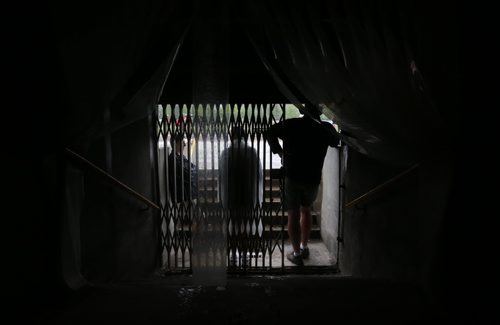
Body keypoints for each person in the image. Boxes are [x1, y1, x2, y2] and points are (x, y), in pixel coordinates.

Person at [266, 105, 340, 265]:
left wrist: (278, 150)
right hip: (312, 178)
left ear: (302, 112)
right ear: (319, 112)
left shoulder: (292, 124)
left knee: (292, 214)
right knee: (306, 210)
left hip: (292, 176)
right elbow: (336, 141)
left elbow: (270, 131)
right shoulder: (325, 128)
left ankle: (297, 254)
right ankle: (304, 246)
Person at [219, 126, 263, 266]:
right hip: (248, 193)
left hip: (231, 194)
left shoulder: (225, 153)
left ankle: (233, 255)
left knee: (232, 225)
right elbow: (259, 175)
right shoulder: (252, 152)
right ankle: (244, 255)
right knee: (245, 225)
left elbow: (221, 176)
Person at [168, 133, 198, 204]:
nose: (184, 144)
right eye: (183, 142)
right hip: (184, 196)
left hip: (188, 193)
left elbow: (194, 168)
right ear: (176, 143)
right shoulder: (173, 159)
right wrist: (192, 171)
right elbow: (187, 174)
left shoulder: (180, 156)